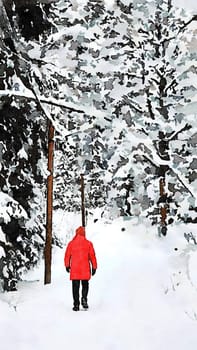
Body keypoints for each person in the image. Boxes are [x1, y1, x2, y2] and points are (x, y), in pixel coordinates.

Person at [64, 226, 97, 311]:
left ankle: (76, 305)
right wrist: (94, 267)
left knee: (75, 287)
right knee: (85, 285)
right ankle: (84, 299)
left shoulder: (71, 244)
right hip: (85, 269)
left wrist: (67, 265)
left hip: (75, 269)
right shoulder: (89, 243)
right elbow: (92, 256)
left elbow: (67, 255)